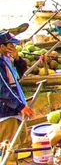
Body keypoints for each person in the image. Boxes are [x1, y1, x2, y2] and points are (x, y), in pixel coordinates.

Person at [0, 31, 33, 161]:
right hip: (6, 112)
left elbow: (19, 76)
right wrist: (20, 107)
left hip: (15, 108)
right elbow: (3, 89)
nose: (13, 48)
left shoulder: (6, 59)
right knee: (9, 150)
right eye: (10, 45)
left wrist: (18, 59)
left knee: (21, 144)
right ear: (2, 46)